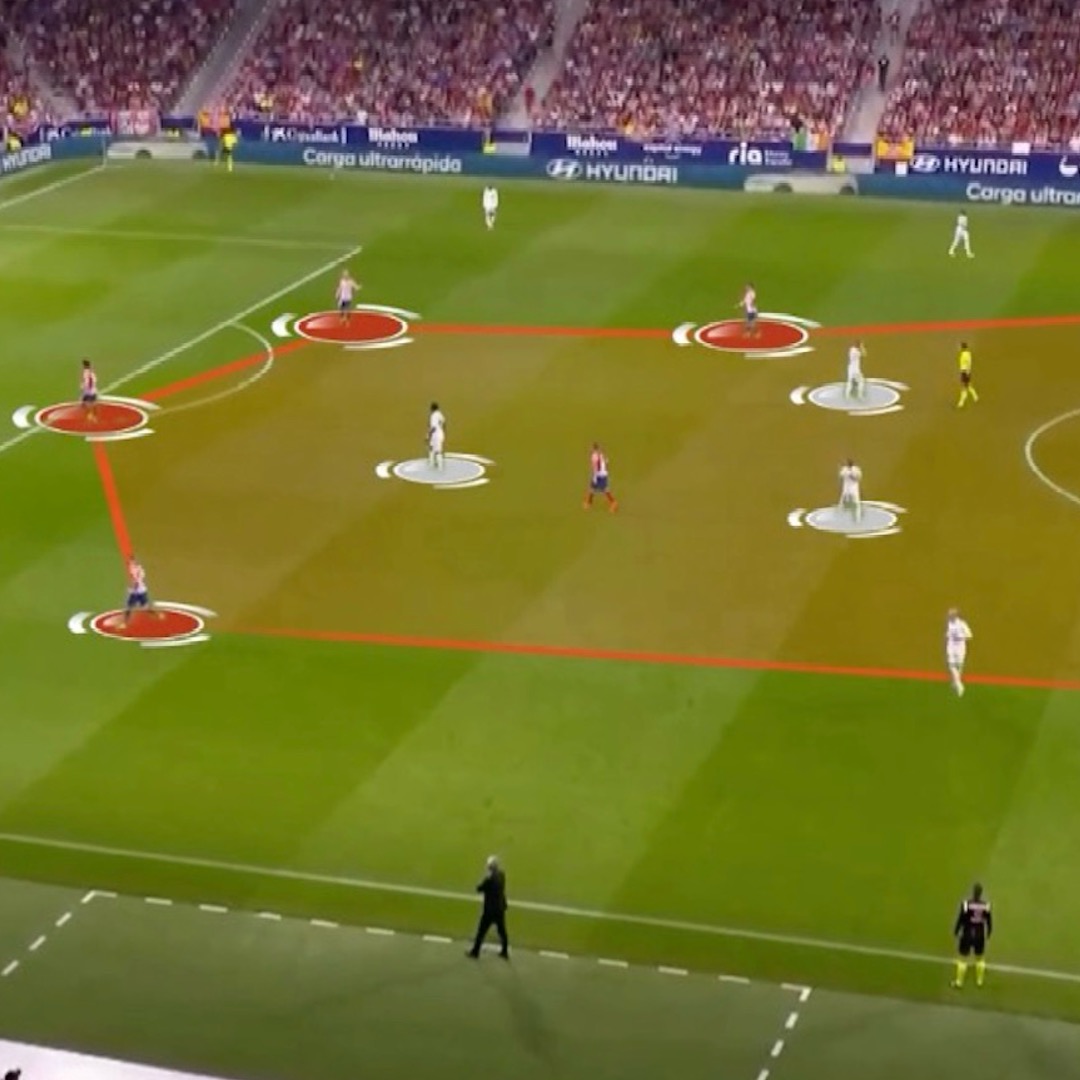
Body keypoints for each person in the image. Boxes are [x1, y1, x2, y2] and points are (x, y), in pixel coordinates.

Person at [466, 855, 509, 959]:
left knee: (481, 931)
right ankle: (504, 951)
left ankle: (475, 951)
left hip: (489, 910)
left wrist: (483, 880)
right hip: (500, 908)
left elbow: (479, 889)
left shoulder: (489, 879)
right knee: (502, 931)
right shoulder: (502, 875)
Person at [952, 882, 992, 988]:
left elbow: (961, 919)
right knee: (979, 958)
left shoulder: (966, 905)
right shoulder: (986, 906)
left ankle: (959, 982)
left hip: (967, 934)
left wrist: (956, 930)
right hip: (980, 935)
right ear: (981, 893)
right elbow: (988, 921)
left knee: (963, 958)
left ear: (973, 892)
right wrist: (989, 932)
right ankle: (980, 981)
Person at [123, 556, 160, 626]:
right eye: (129, 563)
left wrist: (134, 586)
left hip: (139, 591)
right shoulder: (132, 569)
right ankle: (125, 622)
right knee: (129, 607)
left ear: (135, 562)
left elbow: (137, 581)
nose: (130, 564)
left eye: (131, 562)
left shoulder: (138, 570)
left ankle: (156, 615)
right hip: (136, 591)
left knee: (144, 607)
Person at [945, 607, 973, 695]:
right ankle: (959, 685)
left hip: (960, 647)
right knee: (951, 665)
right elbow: (948, 634)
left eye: (951, 615)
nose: (949, 616)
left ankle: (956, 683)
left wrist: (960, 637)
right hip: (951, 647)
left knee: (959, 666)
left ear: (955, 615)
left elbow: (969, 635)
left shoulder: (962, 624)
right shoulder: (949, 623)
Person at [584, 443, 617, 512]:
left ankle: (613, 503)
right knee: (592, 489)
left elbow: (595, 467)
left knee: (605, 490)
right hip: (603, 474)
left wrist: (594, 476)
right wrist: (605, 470)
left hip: (600, 475)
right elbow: (607, 462)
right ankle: (589, 502)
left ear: (594, 449)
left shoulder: (594, 456)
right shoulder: (602, 455)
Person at [956, 342, 978, 408]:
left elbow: (968, 363)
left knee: (964, 386)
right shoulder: (966, 354)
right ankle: (975, 397)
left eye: (960, 347)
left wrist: (967, 372)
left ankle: (961, 402)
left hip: (965, 372)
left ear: (962, 347)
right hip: (964, 371)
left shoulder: (965, 354)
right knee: (968, 385)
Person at [428, 402, 446, 470]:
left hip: (436, 435)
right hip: (440, 434)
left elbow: (434, 427)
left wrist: (428, 435)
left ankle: (439, 467)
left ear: (432, 408)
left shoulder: (433, 416)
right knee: (431, 448)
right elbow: (444, 423)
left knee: (437, 451)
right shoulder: (440, 414)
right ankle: (432, 463)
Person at [80, 358, 98, 423]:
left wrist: (84, 387)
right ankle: (94, 415)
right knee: (93, 402)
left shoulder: (86, 372)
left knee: (85, 403)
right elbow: (95, 379)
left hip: (88, 390)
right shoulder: (91, 371)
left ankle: (90, 415)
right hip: (93, 389)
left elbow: (87, 382)